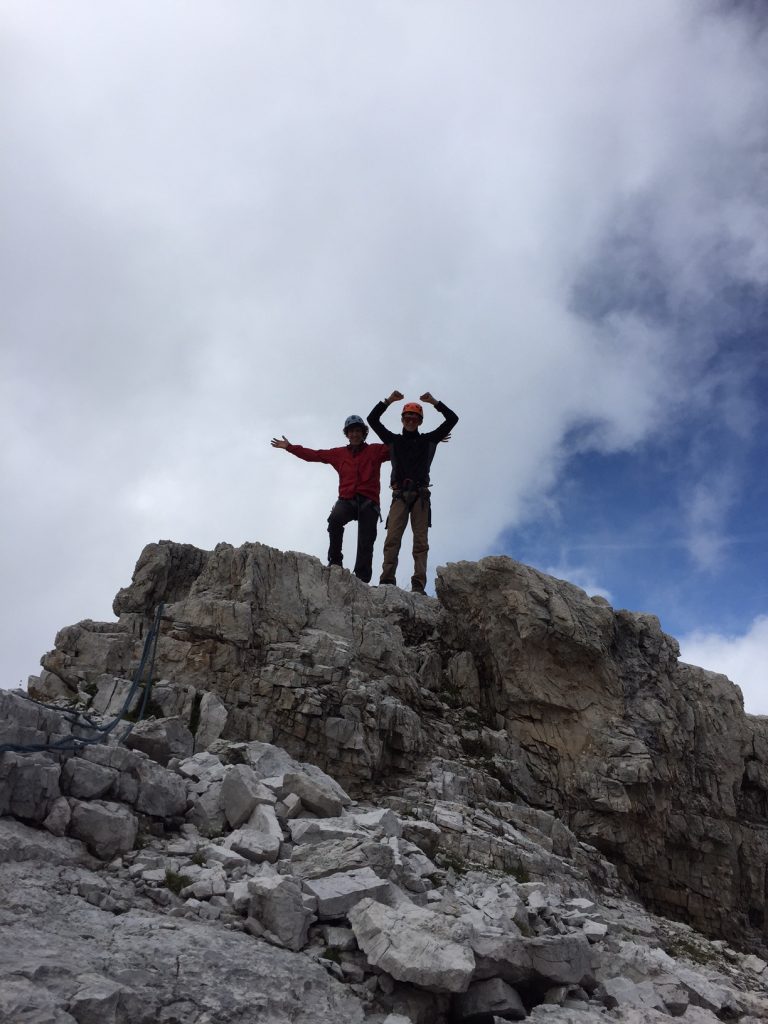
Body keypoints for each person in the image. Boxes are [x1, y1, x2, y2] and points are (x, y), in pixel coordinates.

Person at [271, 415, 389, 583]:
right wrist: (290, 447)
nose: (354, 434)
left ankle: (362, 580)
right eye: (351, 431)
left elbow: (400, 448)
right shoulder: (338, 454)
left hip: (369, 501)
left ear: (363, 433)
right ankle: (335, 562)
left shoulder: (376, 451)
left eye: (358, 431)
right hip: (347, 500)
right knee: (334, 521)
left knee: (366, 540)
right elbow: (314, 455)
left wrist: (431, 440)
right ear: (347, 434)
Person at [367, 391, 458, 594]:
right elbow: (372, 420)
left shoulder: (428, 440)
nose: (410, 420)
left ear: (419, 421)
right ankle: (387, 581)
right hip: (400, 496)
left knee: (420, 542)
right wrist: (388, 400)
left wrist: (435, 402)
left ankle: (418, 585)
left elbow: (453, 419)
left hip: (420, 496)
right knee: (392, 540)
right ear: (402, 419)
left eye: (414, 418)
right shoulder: (394, 440)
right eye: (407, 417)